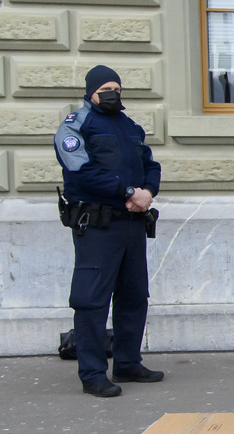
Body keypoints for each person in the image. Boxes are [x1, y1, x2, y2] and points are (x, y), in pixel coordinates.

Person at [54, 65, 163, 398]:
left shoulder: (129, 126)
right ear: (91, 92)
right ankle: (92, 374)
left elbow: (150, 164)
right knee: (91, 301)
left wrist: (147, 192)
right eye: (106, 88)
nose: (113, 93)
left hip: (131, 223)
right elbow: (81, 173)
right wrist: (128, 193)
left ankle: (128, 363)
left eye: (117, 87)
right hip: (97, 225)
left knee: (133, 297)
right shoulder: (75, 126)